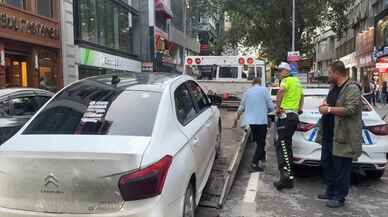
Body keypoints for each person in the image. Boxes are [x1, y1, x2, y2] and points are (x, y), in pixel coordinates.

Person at [317, 61, 362, 208]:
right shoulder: (334, 88)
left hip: (343, 136)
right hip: (329, 134)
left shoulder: (352, 88)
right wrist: (324, 105)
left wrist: (328, 109)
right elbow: (329, 104)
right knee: (327, 163)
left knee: (341, 168)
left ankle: (339, 196)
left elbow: (351, 109)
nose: (328, 75)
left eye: (330, 73)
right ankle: (331, 191)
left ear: (337, 73)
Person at [273, 62, 304, 191]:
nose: (278, 73)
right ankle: (290, 178)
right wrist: (299, 109)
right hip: (294, 116)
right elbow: (302, 97)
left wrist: (278, 108)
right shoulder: (297, 82)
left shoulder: (286, 81)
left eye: (280, 71)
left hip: (286, 116)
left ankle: (284, 177)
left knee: (282, 146)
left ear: (286, 71)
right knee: (287, 145)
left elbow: (280, 93)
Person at [234, 77, 274, 172]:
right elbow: (271, 107)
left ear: (252, 83)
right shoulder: (264, 90)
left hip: (250, 122)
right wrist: (266, 111)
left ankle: (262, 156)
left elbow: (242, 106)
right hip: (260, 121)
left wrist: (237, 117)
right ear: (260, 83)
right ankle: (254, 163)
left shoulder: (247, 92)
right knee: (261, 143)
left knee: (258, 140)